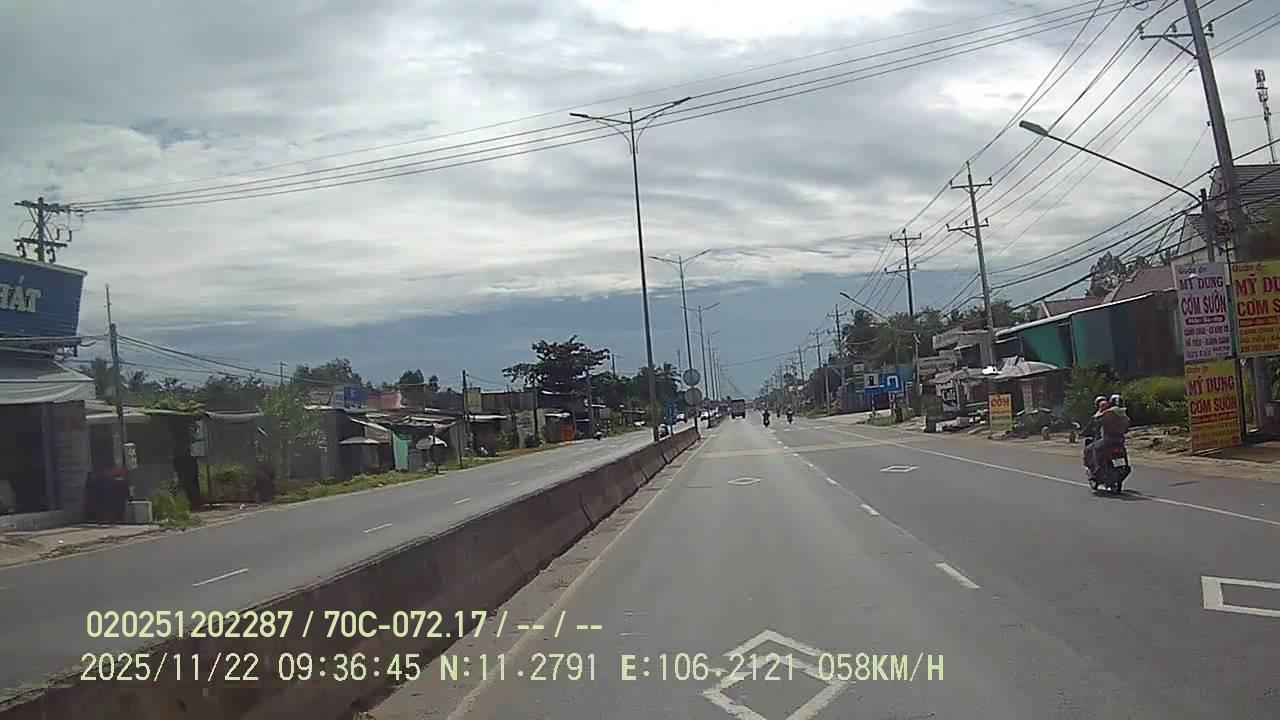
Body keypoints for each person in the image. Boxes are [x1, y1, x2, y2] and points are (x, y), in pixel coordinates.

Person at [1090, 394, 1130, 477]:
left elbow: (1098, 421)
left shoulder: (1108, 413)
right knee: (1123, 450)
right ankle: (1125, 464)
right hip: (1120, 440)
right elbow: (1126, 428)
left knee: (1095, 448)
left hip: (1108, 439)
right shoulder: (1124, 416)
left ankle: (1098, 467)